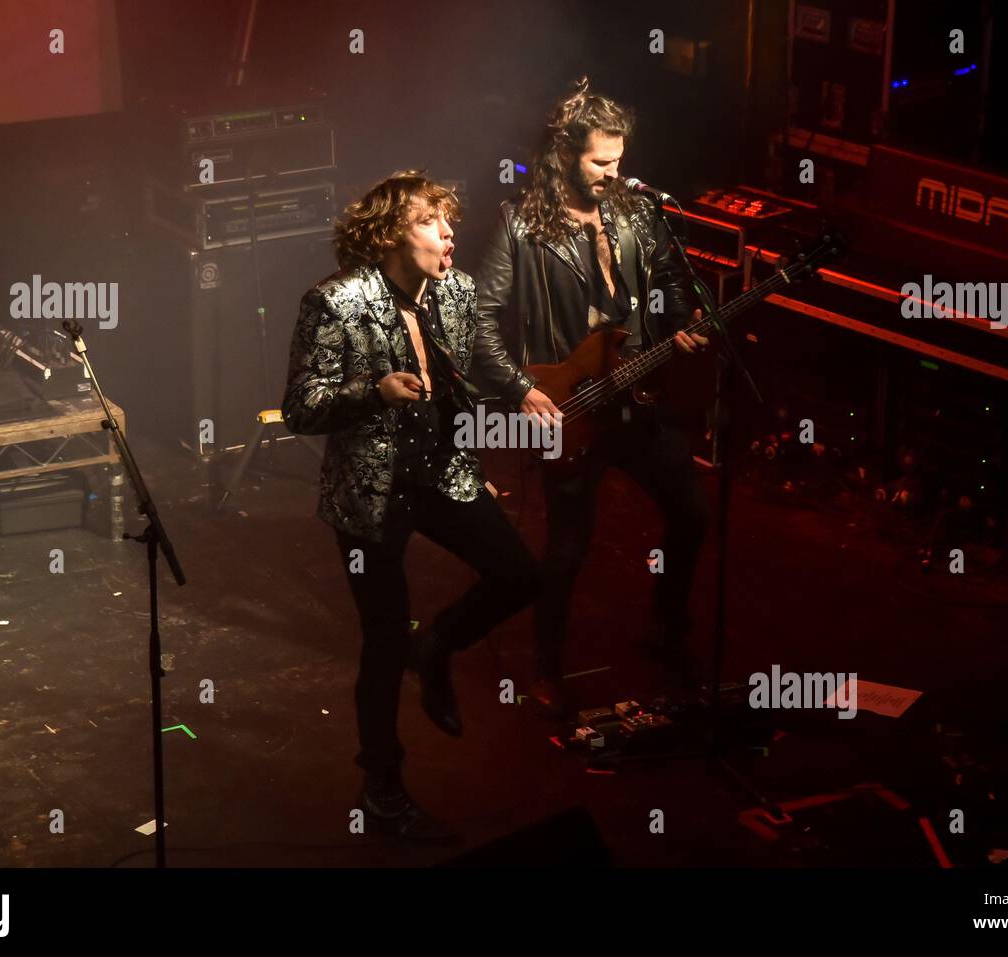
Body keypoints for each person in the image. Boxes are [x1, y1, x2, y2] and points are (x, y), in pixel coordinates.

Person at [282, 171, 541, 840]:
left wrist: (475, 461)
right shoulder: (334, 301)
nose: (450, 232)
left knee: (520, 575)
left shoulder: (455, 292)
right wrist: (374, 389)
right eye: (432, 221)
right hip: (370, 490)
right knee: (382, 638)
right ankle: (382, 783)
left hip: (440, 472)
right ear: (394, 233)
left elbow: (458, 385)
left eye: (448, 221)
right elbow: (300, 408)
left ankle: (439, 646)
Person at [473, 78, 711, 717]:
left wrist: (682, 319)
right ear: (564, 155)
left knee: (691, 514)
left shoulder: (634, 212)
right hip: (571, 406)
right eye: (600, 161)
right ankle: (549, 667)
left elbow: (666, 276)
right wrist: (522, 388)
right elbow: (479, 317)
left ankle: (667, 628)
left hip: (634, 393)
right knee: (569, 548)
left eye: (619, 159)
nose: (614, 172)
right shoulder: (521, 223)